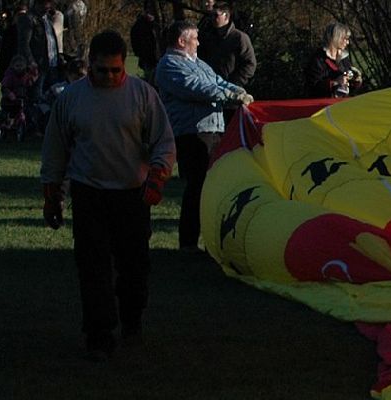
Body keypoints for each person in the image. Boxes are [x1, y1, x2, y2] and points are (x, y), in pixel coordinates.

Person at [40, 30, 175, 361]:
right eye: (103, 71)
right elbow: (55, 149)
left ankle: (131, 321)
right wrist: (51, 193)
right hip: (90, 194)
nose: (110, 77)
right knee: (92, 266)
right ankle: (99, 334)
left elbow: (164, 141)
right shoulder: (72, 99)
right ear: (90, 66)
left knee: (134, 266)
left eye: (116, 70)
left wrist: (158, 174)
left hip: (132, 193)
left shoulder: (142, 95)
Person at [154, 20, 250, 251]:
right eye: (194, 38)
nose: (198, 42)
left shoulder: (198, 63)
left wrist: (238, 91)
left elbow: (216, 81)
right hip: (192, 133)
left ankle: (211, 241)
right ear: (181, 41)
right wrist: (230, 96)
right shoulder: (169, 66)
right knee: (198, 186)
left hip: (213, 131)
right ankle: (188, 242)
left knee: (212, 186)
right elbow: (196, 88)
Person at [195, 3, 252, 86]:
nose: (212, 18)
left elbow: (249, 63)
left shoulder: (239, 38)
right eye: (211, 15)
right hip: (210, 86)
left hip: (232, 87)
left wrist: (235, 83)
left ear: (226, 16)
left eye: (216, 15)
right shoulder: (208, 37)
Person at [306, 22, 362, 98]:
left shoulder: (344, 58)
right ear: (336, 38)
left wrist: (354, 80)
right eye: (345, 39)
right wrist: (335, 82)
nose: (348, 42)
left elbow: (348, 75)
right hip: (323, 105)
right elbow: (313, 87)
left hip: (342, 104)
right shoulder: (318, 59)